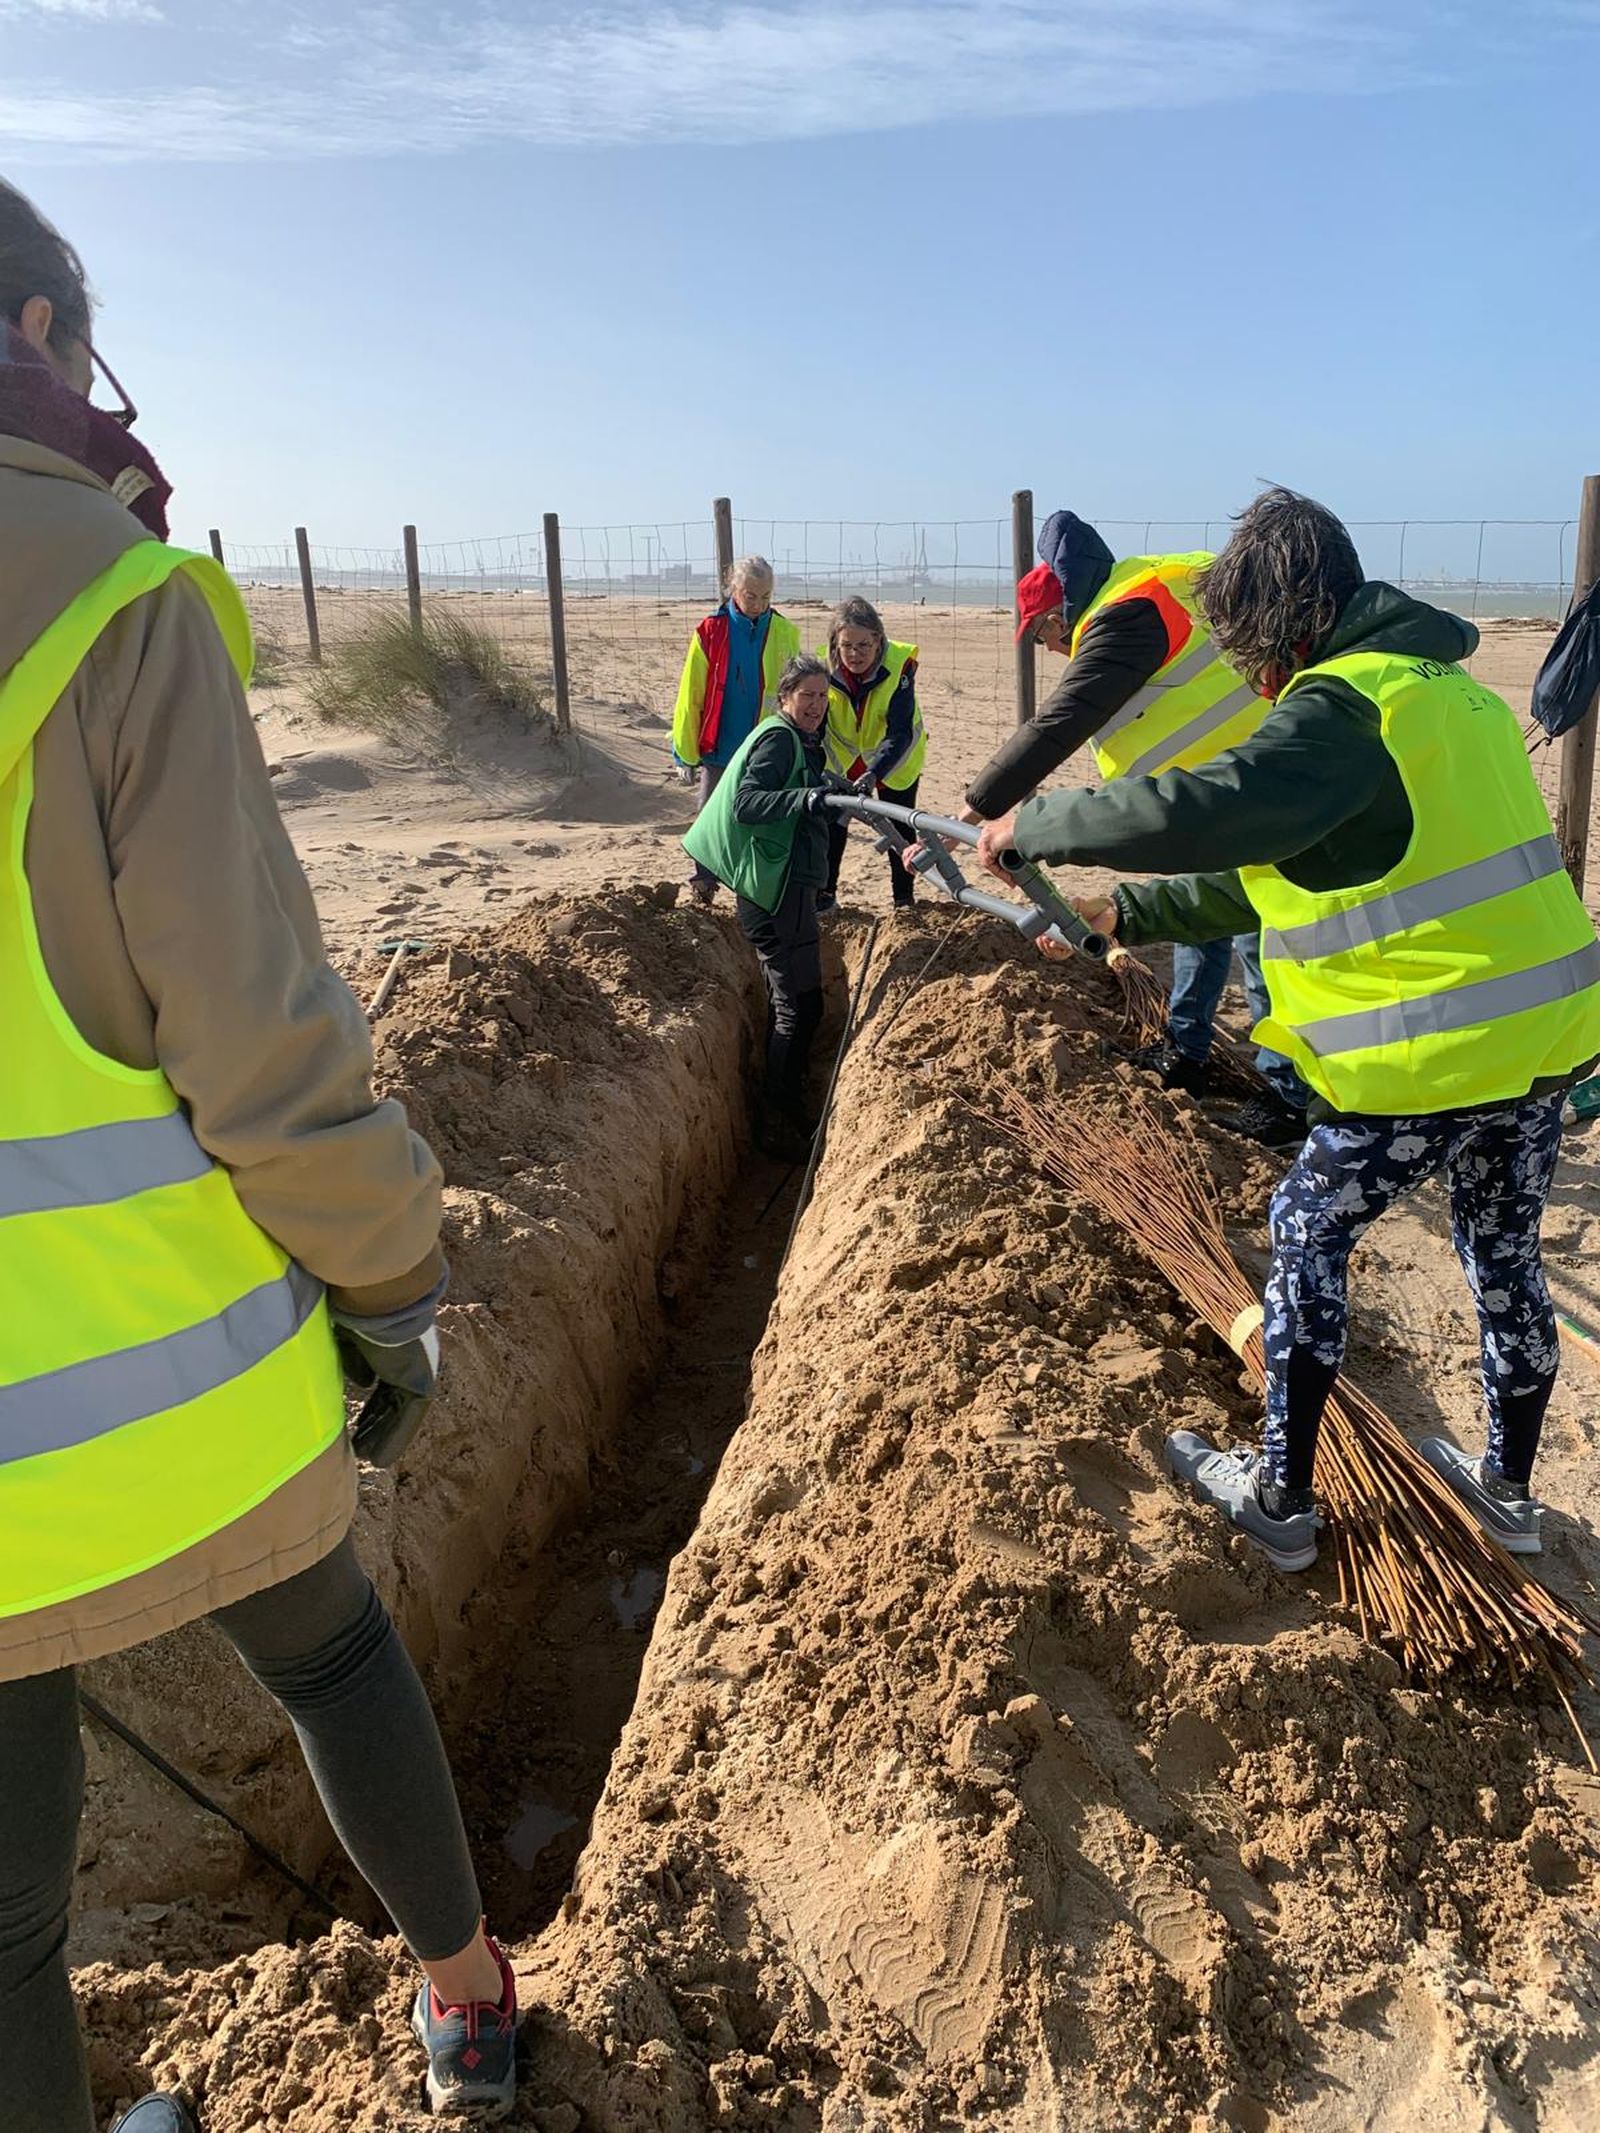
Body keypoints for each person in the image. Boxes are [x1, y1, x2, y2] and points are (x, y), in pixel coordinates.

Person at [0, 182, 517, 2131]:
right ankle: (467, 1998)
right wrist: (389, 1297)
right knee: (337, 1659)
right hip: (181, 1384)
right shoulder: (107, 597)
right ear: (40, 331)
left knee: (1, 1919)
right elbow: (261, 1048)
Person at [978, 487, 1600, 1572]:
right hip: (1544, 1048)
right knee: (1503, 1262)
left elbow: (1214, 808)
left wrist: (1042, 823)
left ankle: (1279, 1501)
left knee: (1307, 1234)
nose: (1245, 673)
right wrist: (1126, 910)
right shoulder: (1453, 697)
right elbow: (1291, 876)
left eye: (1243, 646)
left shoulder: (1339, 706)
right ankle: (1505, 1495)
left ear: (1283, 620)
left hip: (1435, 1056)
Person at [961, 511, 1311, 1144]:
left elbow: (1060, 722)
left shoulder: (1126, 616)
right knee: (1198, 930)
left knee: (1259, 944)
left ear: (1055, 617)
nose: (1043, 647)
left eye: (1038, 634)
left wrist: (979, 804)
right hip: (1202, 799)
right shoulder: (1152, 589)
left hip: (1248, 793)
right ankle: (1187, 1050)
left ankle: (1288, 1097)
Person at [683, 655, 833, 1158]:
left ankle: (786, 1103)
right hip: (772, 893)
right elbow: (748, 802)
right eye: (806, 695)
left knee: (796, 1004)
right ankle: (781, 1121)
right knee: (800, 1008)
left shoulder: (801, 739)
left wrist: (829, 789)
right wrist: (804, 798)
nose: (816, 704)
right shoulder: (778, 738)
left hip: (785, 887)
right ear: (786, 697)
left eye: (822, 694)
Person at [672, 555, 801, 907]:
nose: (758, 604)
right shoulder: (710, 631)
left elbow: (795, 690)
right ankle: (703, 886)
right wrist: (684, 750)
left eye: (765, 596)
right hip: (720, 741)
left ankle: (754, 891)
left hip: (764, 744)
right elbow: (690, 693)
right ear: (733, 589)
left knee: (761, 817)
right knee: (710, 815)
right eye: (750, 595)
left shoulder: (785, 632)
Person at [818, 596, 926, 912]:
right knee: (833, 822)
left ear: (878, 640)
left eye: (864, 645)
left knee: (898, 823)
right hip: (844, 759)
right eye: (847, 645)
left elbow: (901, 732)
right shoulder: (823, 669)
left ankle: (903, 901)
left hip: (895, 760)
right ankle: (826, 896)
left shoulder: (899, 666)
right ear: (835, 644)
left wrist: (874, 772)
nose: (855, 654)